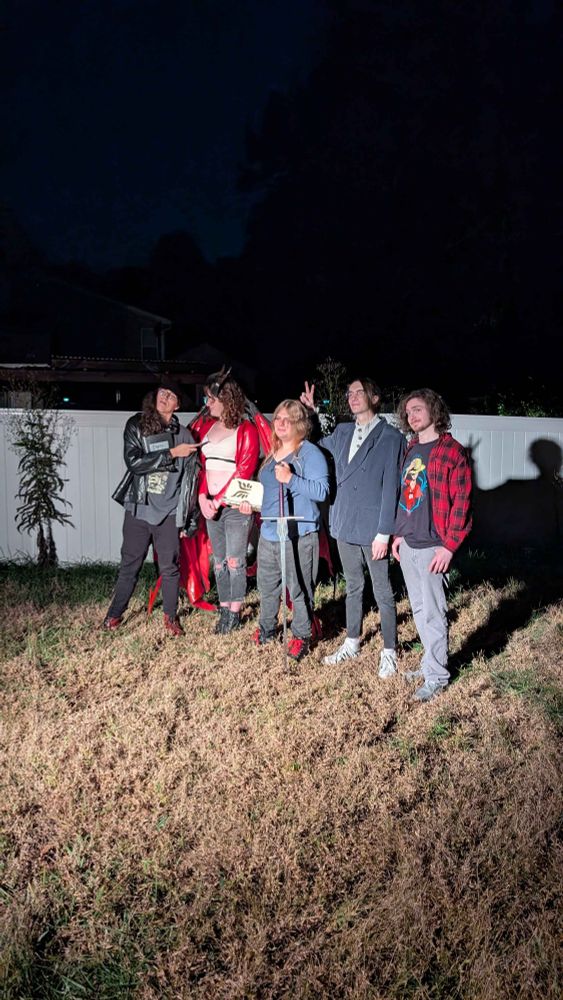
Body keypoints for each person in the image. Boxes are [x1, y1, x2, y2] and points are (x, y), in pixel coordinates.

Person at [301, 378, 405, 677]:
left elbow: (392, 489)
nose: (353, 397)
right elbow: (316, 446)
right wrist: (311, 413)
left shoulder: (391, 438)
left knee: (382, 590)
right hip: (344, 522)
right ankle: (352, 642)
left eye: (360, 392)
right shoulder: (343, 431)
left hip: (374, 530)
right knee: (353, 587)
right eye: (350, 393)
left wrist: (384, 533)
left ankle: (389, 650)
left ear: (375, 397)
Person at [391, 389, 472, 702]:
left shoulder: (452, 452)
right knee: (419, 609)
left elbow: (463, 504)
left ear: (434, 411)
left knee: (434, 613)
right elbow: (406, 496)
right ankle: (430, 663)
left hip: (434, 546)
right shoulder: (412, 448)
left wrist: (449, 547)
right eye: (408, 411)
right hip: (409, 543)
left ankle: (437, 677)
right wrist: (399, 535)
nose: (411, 415)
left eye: (418, 409)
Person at [104, 379, 200, 636]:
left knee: (170, 568)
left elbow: (190, 482)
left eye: (172, 395)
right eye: (162, 392)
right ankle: (114, 615)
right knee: (130, 565)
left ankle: (170, 618)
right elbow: (134, 463)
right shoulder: (137, 425)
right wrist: (172, 454)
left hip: (169, 512)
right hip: (140, 507)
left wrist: (188, 519)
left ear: (178, 405)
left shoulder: (185, 436)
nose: (165, 396)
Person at [242, 399, 329, 661]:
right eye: (278, 417)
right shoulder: (273, 452)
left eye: (287, 419)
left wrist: (291, 478)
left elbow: (322, 492)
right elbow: (268, 493)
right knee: (267, 586)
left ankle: (302, 634)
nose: (280, 423)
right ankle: (267, 628)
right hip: (270, 532)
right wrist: (251, 505)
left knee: (299, 587)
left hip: (298, 534)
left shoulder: (309, 454)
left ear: (299, 424)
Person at [193, 371, 260, 634]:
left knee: (235, 561)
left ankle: (234, 613)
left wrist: (217, 501)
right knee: (219, 561)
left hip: (235, 506)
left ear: (227, 398)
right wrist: (202, 498)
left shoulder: (246, 429)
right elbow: (202, 468)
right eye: (207, 398)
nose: (207, 403)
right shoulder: (206, 428)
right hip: (211, 507)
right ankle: (224, 608)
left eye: (212, 398)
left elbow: (244, 470)